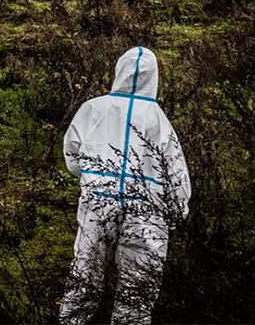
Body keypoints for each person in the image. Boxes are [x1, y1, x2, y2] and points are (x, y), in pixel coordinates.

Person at [59, 47, 191, 325]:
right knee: (137, 290)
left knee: (85, 276)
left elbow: (72, 156)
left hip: (98, 204)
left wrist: (93, 177)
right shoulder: (158, 118)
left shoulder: (92, 109)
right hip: (147, 212)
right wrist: (177, 213)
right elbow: (176, 172)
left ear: (118, 71)